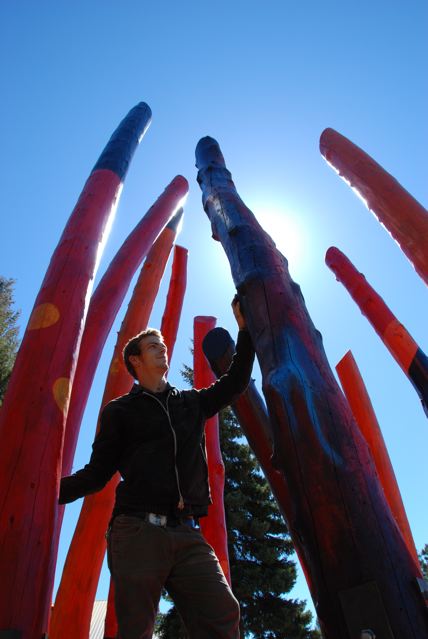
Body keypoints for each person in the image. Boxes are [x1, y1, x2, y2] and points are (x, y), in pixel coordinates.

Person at [59, 296, 255, 639]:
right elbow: (96, 474)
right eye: (153, 346)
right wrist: (45, 492)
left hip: (185, 531)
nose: (161, 348)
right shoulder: (119, 411)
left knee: (223, 611)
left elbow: (235, 381)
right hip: (137, 531)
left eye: (162, 344)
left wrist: (245, 330)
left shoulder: (191, 402)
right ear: (136, 360)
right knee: (135, 630)